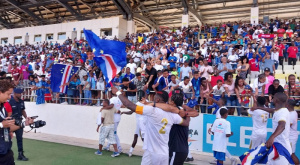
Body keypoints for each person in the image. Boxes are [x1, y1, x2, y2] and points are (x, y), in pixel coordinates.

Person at [111, 87, 190, 165]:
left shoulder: (152, 110)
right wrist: (184, 112)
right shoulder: (173, 115)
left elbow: (129, 105)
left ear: (158, 100)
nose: (153, 99)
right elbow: (186, 123)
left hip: (153, 153)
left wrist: (118, 93)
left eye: (154, 98)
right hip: (163, 153)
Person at [251, 92, 292, 164]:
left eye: (273, 98)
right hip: (277, 146)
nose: (272, 99)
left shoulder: (282, 112)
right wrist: (258, 107)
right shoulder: (279, 110)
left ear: (276, 100)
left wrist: (272, 136)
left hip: (282, 148)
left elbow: (282, 125)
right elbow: (272, 110)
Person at [0, 80, 34, 164]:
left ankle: (20, 154)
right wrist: (1, 124)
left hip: (6, 152)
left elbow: (8, 127)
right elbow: (2, 125)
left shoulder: (3, 108)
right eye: (8, 94)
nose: (9, 97)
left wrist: (24, 124)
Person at [121, 90, 146, 157]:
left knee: (141, 138)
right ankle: (130, 151)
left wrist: (124, 112)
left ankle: (147, 152)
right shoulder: (147, 103)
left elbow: (131, 112)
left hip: (140, 122)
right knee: (137, 136)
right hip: (144, 122)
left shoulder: (138, 104)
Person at [9, 88, 29, 161]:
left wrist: (26, 118)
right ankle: (5, 154)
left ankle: (20, 155)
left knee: (20, 139)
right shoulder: (10, 102)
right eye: (19, 93)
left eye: (21, 93)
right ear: (15, 93)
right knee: (7, 139)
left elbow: (23, 110)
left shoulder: (21, 101)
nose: (21, 95)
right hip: (11, 123)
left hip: (19, 123)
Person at [286, 99, 299, 165]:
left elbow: (287, 126)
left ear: (288, 105)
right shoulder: (293, 112)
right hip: (290, 137)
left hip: (291, 137)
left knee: (291, 154)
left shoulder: (292, 115)